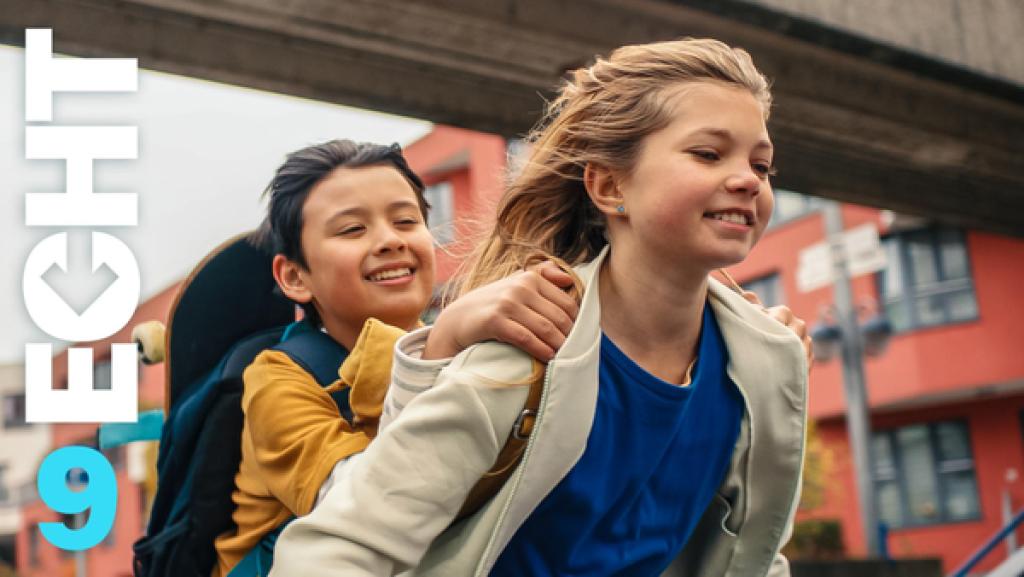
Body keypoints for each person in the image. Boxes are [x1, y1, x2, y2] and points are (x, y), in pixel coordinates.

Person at [271, 37, 810, 577]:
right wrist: (440, 346)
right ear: (607, 184)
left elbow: (757, 554)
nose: (747, 180)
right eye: (708, 154)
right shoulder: (525, 352)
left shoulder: (765, 363)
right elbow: (343, 543)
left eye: (762, 167)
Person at [212, 140, 582, 577]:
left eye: (406, 220)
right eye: (352, 230)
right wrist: (439, 347)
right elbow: (367, 517)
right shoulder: (277, 379)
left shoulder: (474, 339)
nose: (390, 240)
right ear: (294, 276)